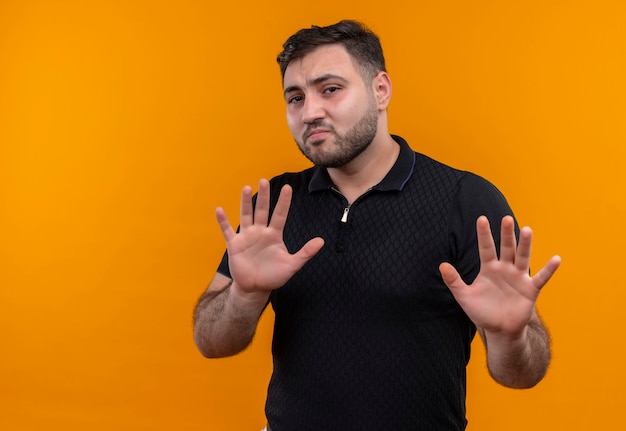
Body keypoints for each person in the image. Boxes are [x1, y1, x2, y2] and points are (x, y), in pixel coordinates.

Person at [193, 19, 561, 431]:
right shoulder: (276, 206)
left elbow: (522, 374)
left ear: (380, 90)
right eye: (295, 97)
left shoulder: (466, 200)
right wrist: (244, 293)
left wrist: (510, 336)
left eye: (330, 89)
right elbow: (211, 343)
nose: (310, 112)